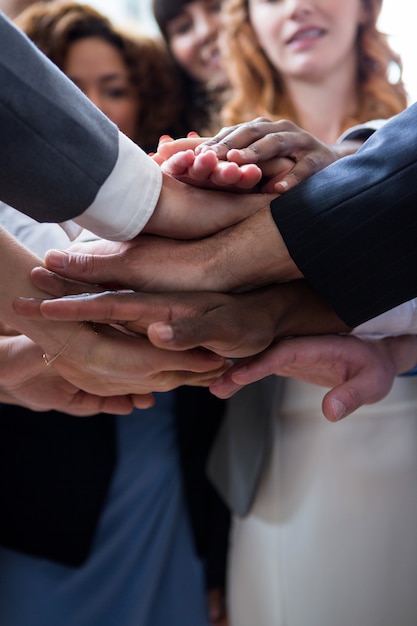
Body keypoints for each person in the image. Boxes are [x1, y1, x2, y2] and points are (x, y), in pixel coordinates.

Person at [31, 2, 417, 624]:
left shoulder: (402, 139)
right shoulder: (217, 156)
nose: (297, 7)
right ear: (247, 20)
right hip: (266, 460)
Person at [0, 3, 229, 625]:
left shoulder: (170, 200)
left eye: (114, 89)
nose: (87, 111)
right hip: (41, 513)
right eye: (66, 91)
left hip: (166, 498)